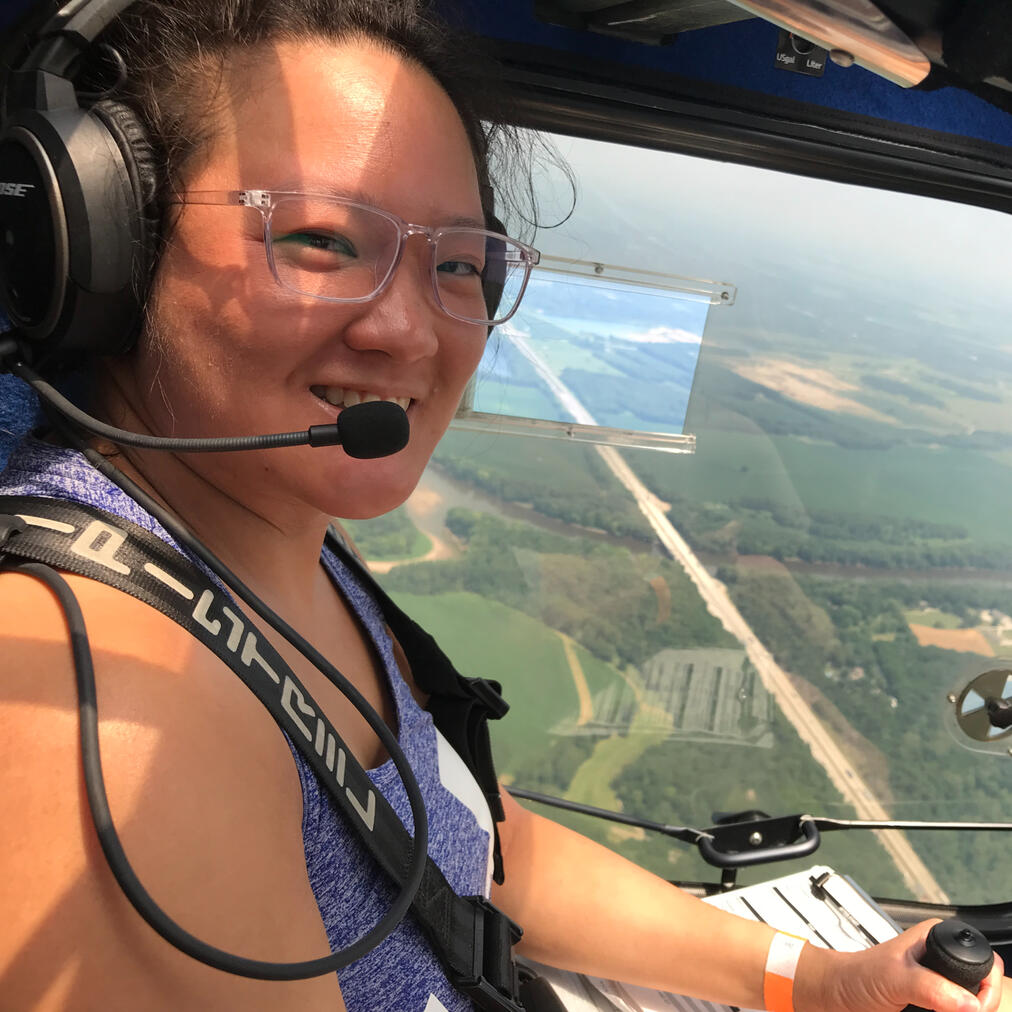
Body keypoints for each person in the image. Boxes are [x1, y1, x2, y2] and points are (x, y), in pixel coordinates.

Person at [0, 1, 1007, 1010]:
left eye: (456, 264)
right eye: (319, 239)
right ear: (100, 244)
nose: (406, 328)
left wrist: (817, 979)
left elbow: (478, 848)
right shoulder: (97, 702)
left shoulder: (279, 554)